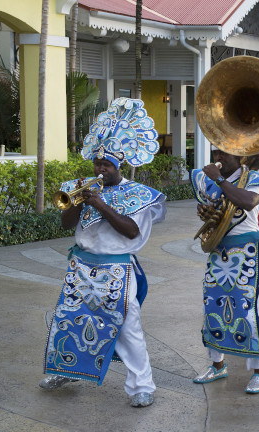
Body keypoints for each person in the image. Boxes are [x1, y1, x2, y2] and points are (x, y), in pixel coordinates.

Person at [40, 98, 166, 408]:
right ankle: (65, 369)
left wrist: (99, 204)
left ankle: (141, 386)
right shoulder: (81, 187)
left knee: (127, 328)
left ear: (118, 165)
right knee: (68, 319)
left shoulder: (138, 194)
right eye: (98, 164)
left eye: (106, 165)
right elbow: (65, 222)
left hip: (117, 271)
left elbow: (131, 231)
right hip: (81, 266)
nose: (100, 169)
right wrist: (81, 201)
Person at [190, 145, 259, 394]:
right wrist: (206, 212)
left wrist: (219, 180)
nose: (218, 157)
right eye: (215, 152)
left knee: (248, 312)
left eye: (224, 154)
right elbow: (212, 210)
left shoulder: (253, 178)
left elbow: (249, 202)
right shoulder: (206, 181)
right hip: (219, 252)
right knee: (211, 308)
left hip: (247, 252)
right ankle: (217, 364)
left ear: (240, 157)